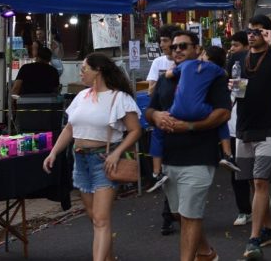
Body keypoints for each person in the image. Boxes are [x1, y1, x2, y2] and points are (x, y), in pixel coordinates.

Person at [43, 53, 142, 261]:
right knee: (95, 218)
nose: (81, 72)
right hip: (80, 160)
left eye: (84, 68)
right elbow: (70, 128)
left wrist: (116, 153)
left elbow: (135, 130)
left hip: (103, 161)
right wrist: (54, 152)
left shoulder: (119, 98)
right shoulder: (81, 96)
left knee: (100, 220)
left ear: (98, 71)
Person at [146, 32, 230, 261]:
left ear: (196, 48)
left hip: (200, 155)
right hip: (170, 157)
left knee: (190, 215)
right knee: (178, 214)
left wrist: (190, 126)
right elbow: (149, 110)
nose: (177, 51)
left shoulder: (211, 76)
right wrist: (157, 117)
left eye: (183, 46)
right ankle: (205, 252)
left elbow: (223, 112)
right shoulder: (165, 78)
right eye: (174, 47)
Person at [232, 15, 271, 260]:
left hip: (268, 128)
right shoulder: (238, 57)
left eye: (258, 31)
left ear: (267, 33)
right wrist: (232, 88)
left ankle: (254, 239)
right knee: (250, 182)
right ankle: (269, 229)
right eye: (249, 31)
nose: (252, 35)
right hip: (244, 127)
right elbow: (237, 91)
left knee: (260, 183)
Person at [145, 25, 180, 194]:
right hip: (162, 110)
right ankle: (156, 173)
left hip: (181, 114)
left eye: (165, 41)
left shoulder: (185, 62)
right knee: (157, 136)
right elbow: (150, 90)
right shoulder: (158, 63)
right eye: (160, 41)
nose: (162, 45)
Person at [226, 31, 254, 227]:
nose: (232, 49)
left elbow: (241, 93)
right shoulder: (233, 65)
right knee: (237, 172)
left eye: (236, 45)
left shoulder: (253, 66)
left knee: (254, 171)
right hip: (233, 128)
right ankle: (244, 209)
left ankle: (259, 206)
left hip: (250, 126)